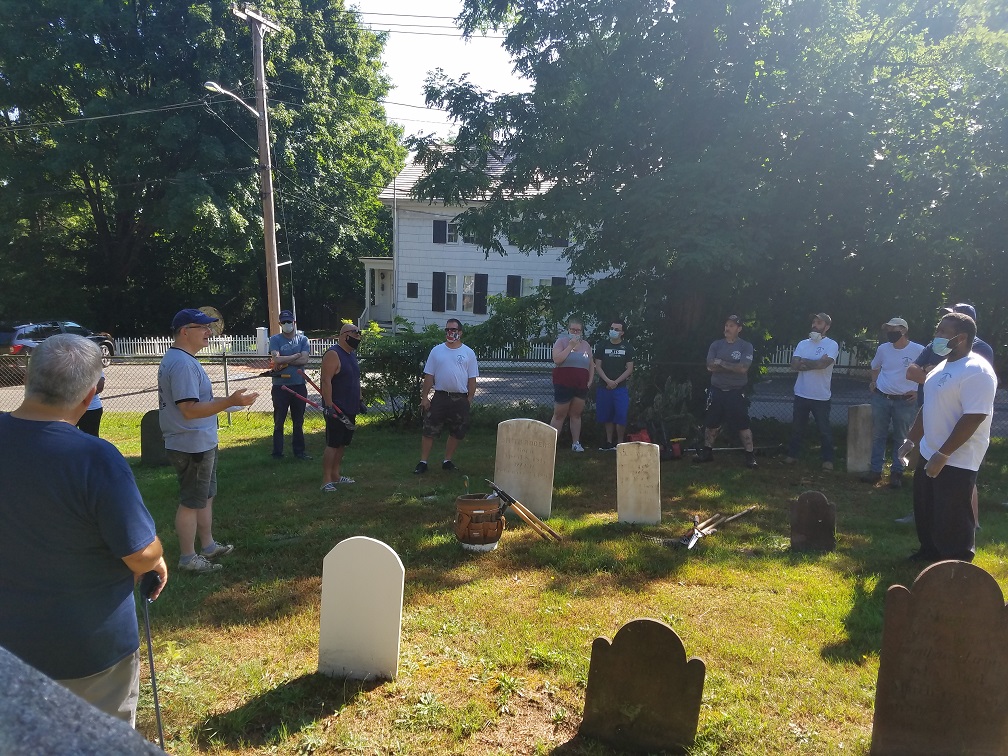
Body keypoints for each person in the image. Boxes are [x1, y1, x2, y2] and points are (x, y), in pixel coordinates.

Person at [0, 334, 168, 725]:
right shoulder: (95, 457)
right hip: (86, 651)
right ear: (92, 392)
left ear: (28, 376)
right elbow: (140, 553)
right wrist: (157, 556)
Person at [158, 308, 257, 573]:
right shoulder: (181, 363)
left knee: (205, 496)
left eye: (209, 327)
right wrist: (229, 401)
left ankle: (208, 546)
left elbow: (196, 404)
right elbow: (188, 409)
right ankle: (188, 558)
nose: (209, 332)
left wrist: (227, 405)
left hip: (199, 441)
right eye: (202, 327)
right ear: (184, 331)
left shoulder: (183, 359)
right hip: (191, 444)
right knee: (191, 501)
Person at [901, 311, 997, 562]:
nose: (936, 338)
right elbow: (929, 404)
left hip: (957, 457)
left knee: (952, 513)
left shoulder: (977, 370)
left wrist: (943, 454)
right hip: (928, 450)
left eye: (943, 332)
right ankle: (929, 553)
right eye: (937, 331)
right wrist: (911, 439)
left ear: (961, 337)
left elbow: (974, 417)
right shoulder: (943, 366)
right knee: (927, 508)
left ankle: (956, 563)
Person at [860, 318, 924, 488]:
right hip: (881, 397)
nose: (889, 332)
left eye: (892, 329)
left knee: (901, 438)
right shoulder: (883, 349)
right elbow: (875, 366)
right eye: (887, 329)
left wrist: (918, 391)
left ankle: (897, 472)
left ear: (903, 330)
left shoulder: (918, 350)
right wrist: (874, 382)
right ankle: (875, 471)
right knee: (878, 435)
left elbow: (928, 371)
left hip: (905, 401)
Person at [413, 318, 479, 473]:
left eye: (453, 330)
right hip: (440, 397)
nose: (450, 333)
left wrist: (469, 399)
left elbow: (472, 379)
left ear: (460, 333)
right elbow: (429, 376)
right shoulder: (437, 351)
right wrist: (424, 397)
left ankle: (447, 461)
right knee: (429, 429)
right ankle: (423, 462)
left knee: (457, 431)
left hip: (460, 398)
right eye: (447, 330)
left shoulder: (468, 353)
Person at [695, 315, 757, 468]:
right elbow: (710, 366)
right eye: (726, 325)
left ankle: (750, 455)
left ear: (739, 329)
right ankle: (707, 452)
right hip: (716, 391)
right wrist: (732, 366)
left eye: (731, 326)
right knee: (711, 424)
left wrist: (722, 363)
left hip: (736, 392)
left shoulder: (745, 346)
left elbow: (743, 368)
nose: (727, 328)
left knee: (743, 425)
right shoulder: (716, 345)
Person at [785, 313, 839, 470]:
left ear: (827, 327)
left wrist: (805, 362)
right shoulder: (803, 343)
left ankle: (828, 460)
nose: (815, 325)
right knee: (797, 428)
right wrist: (814, 362)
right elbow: (794, 365)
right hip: (801, 394)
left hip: (821, 397)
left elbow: (824, 364)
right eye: (814, 322)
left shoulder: (832, 344)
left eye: (819, 322)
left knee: (824, 430)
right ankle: (792, 456)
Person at [320, 323, 362, 490]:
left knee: (342, 443)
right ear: (345, 335)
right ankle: (326, 480)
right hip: (336, 408)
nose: (359, 337)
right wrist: (329, 405)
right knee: (333, 443)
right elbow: (326, 381)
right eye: (356, 333)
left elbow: (355, 380)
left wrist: (360, 400)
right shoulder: (333, 354)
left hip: (350, 406)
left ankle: (336, 475)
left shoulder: (351, 355)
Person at [268, 309, 311, 460]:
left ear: (294, 323)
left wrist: (285, 359)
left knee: (298, 421)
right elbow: (276, 360)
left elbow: (304, 360)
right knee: (279, 421)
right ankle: (277, 453)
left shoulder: (303, 340)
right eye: (284, 322)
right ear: (280, 324)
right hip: (280, 386)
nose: (287, 324)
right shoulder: (275, 339)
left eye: (289, 322)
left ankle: (299, 452)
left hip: (299, 385)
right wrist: (295, 356)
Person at [549, 317, 595, 452]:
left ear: (582, 331)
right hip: (563, 383)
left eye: (578, 330)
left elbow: (591, 364)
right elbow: (557, 360)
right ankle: (551, 445)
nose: (575, 332)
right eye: (572, 329)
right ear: (568, 330)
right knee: (559, 414)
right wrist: (570, 346)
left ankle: (576, 443)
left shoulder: (586, 345)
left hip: (580, 385)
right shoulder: (561, 342)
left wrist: (590, 380)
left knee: (576, 414)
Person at [594, 319, 634, 450]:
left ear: (622, 332)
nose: (613, 331)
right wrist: (608, 381)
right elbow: (597, 366)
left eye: (617, 329)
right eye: (612, 328)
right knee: (607, 415)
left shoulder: (627, 347)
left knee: (621, 414)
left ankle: (620, 443)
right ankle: (609, 441)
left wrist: (616, 382)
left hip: (620, 388)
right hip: (604, 386)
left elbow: (629, 368)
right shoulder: (602, 346)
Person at [75, 368, 104, 436]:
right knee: (67, 438)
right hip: (68, 410)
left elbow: (99, 387)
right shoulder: (65, 365)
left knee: (91, 437)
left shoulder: (94, 366)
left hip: (91, 409)